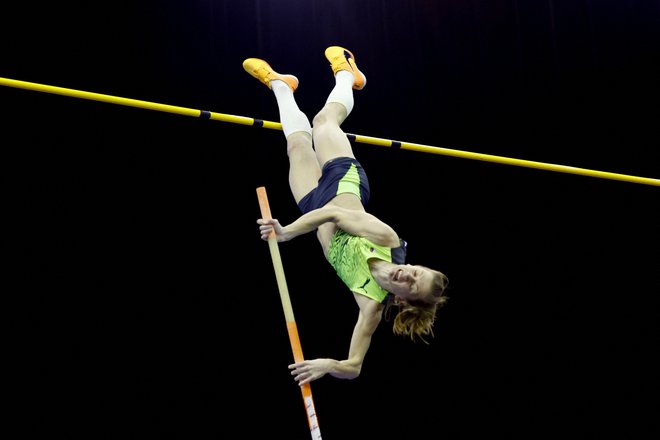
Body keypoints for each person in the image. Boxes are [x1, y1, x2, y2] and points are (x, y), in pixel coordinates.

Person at [244, 46, 449, 386]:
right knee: (323, 121)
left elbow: (354, 366)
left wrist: (328, 364)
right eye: (416, 270)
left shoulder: (371, 306)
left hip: (314, 210)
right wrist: (286, 233)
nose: (407, 272)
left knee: (296, 145)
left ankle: (281, 85)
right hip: (343, 185)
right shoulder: (387, 240)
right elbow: (334, 214)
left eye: (412, 282)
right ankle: (346, 75)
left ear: (403, 299)